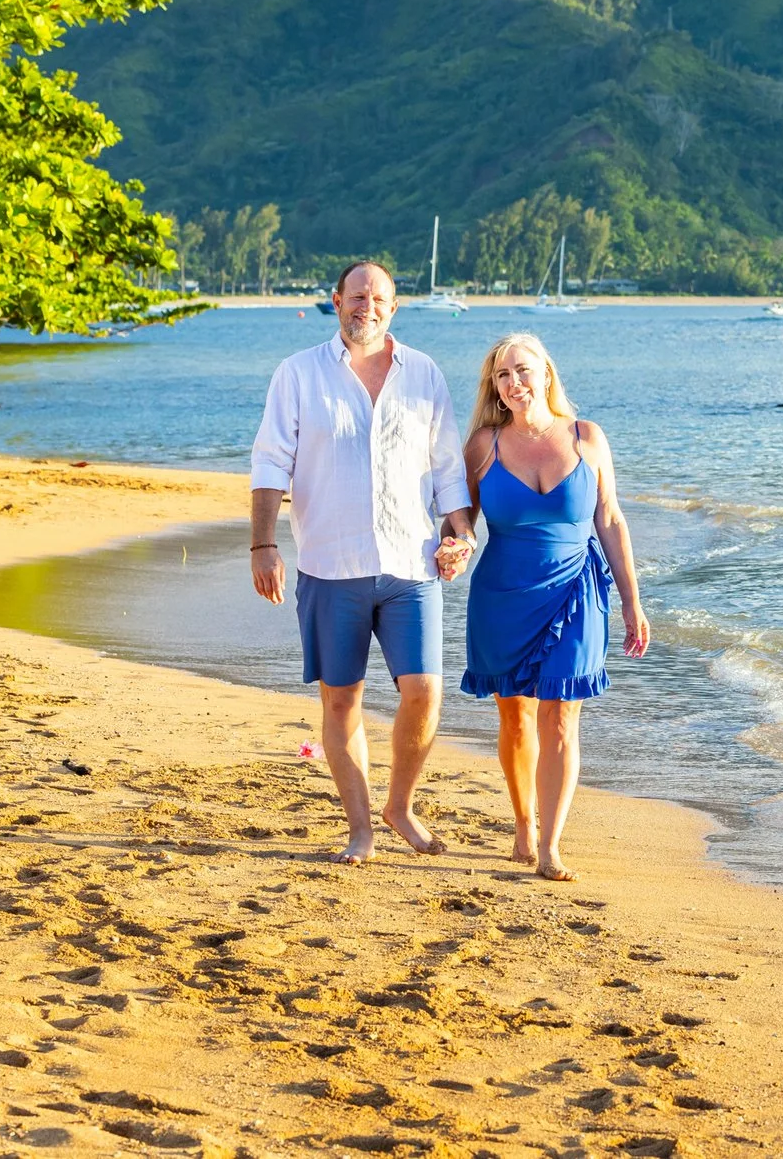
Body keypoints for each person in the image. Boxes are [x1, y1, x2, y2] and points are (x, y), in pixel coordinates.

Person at [249, 261, 476, 865]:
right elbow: (271, 462)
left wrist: (462, 533)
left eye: (378, 299)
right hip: (329, 563)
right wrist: (263, 544)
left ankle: (399, 805)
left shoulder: (424, 374)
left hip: (411, 564)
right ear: (336, 301)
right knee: (341, 701)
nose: (365, 308)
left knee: (425, 692)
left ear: (393, 308)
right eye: (356, 297)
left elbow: (448, 467)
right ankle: (361, 829)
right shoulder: (297, 374)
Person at [459, 332, 650, 880]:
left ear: (546, 373)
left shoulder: (587, 438)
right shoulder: (483, 445)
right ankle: (523, 827)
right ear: (494, 387)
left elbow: (610, 519)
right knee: (516, 718)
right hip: (502, 595)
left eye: (523, 370)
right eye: (503, 375)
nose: (514, 382)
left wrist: (633, 601)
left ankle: (551, 845)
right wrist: (454, 543)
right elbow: (461, 520)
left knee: (562, 717)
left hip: (576, 591)